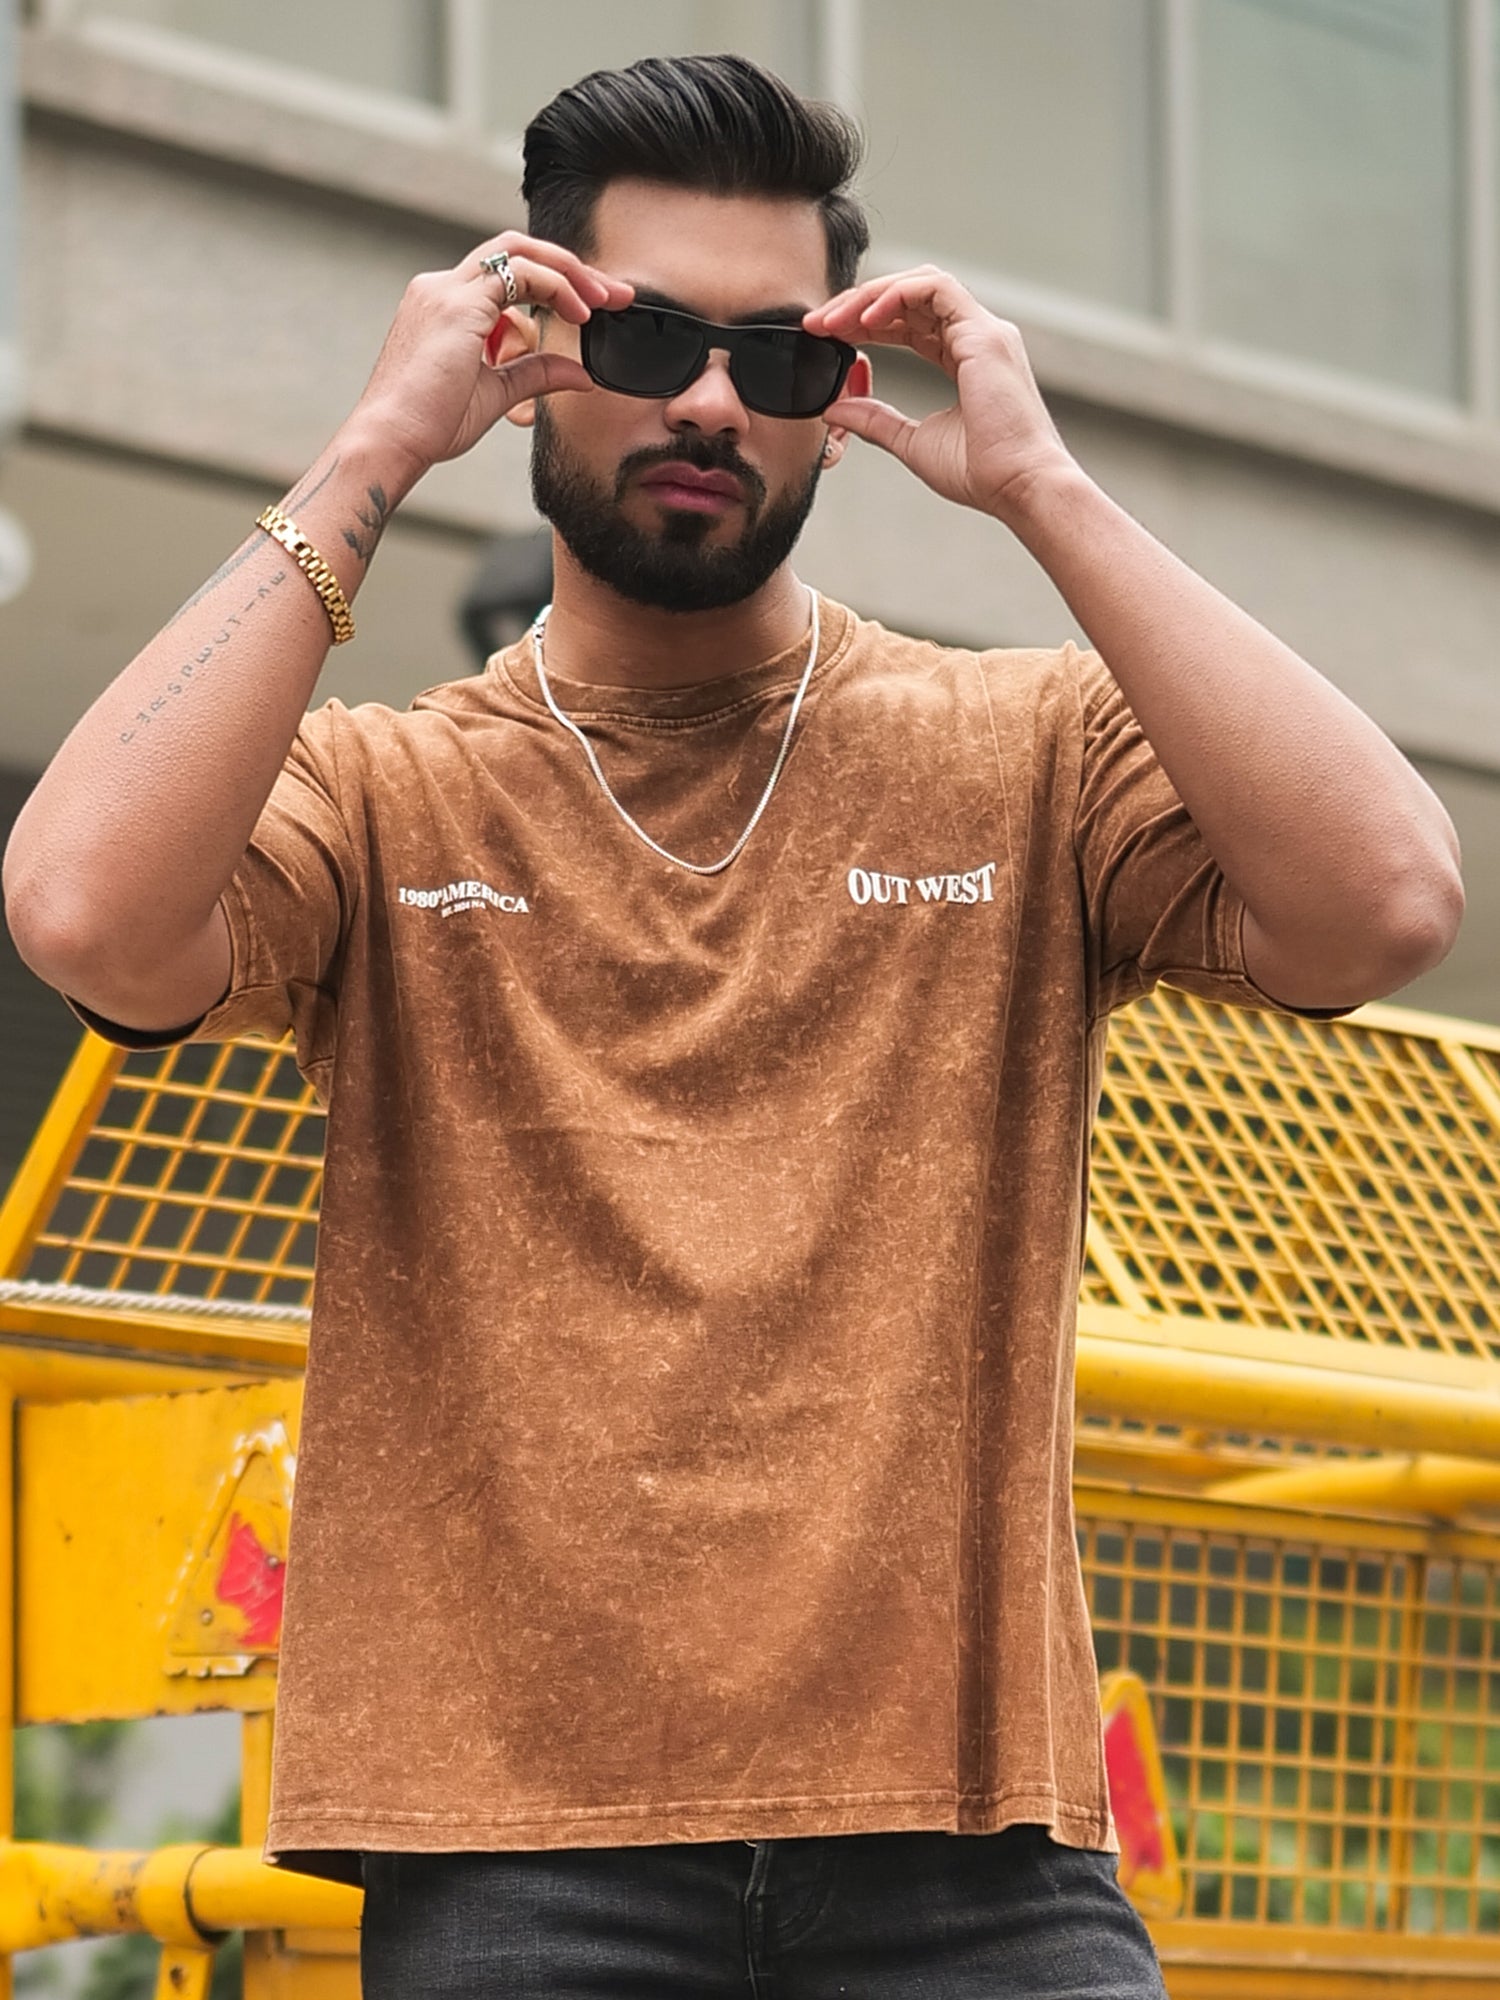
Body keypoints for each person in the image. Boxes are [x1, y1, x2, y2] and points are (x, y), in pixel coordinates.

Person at [3, 51, 1462, 2000]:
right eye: (651, 332)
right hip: (524, 1860)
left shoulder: (1017, 749)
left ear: (841, 410)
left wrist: (1043, 486)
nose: (707, 398)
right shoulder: (382, 791)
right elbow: (86, 912)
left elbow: (1388, 902)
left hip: (973, 1858)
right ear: (530, 341)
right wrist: (369, 453)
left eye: (776, 361)